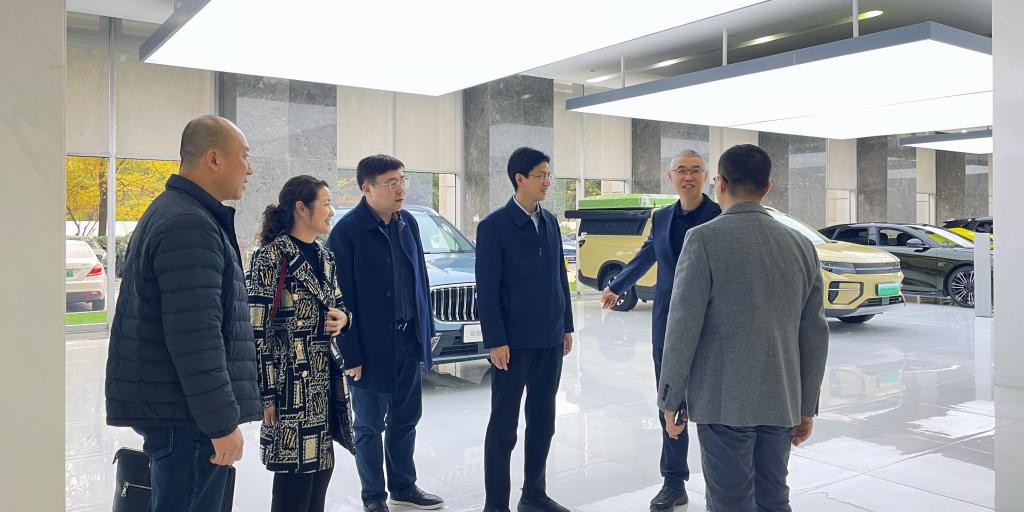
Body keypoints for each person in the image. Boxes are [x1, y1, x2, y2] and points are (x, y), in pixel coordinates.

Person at [657, 144, 829, 512]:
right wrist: (806, 405)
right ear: (767, 188)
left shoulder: (703, 239)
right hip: (781, 397)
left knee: (730, 502)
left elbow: (683, 325)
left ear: (719, 183)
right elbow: (814, 333)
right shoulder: (802, 245)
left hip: (723, 401)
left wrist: (670, 398)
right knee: (773, 498)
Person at [105, 115, 259, 511]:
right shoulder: (189, 224)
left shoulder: (181, 212)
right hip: (189, 419)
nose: (249, 169)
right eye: (244, 156)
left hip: (181, 412)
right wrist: (220, 423)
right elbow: (196, 337)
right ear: (214, 159)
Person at [599, 149, 721, 511]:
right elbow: (647, 253)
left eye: (695, 170)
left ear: (706, 176)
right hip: (667, 320)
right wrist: (617, 285)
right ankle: (673, 481)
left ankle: (721, 482)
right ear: (670, 177)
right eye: (681, 170)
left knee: (714, 403)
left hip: (711, 322)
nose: (688, 176)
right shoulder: (662, 216)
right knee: (669, 400)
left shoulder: (719, 216)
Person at [326, 155, 444, 512]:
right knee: (369, 425)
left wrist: (426, 334)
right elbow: (338, 300)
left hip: (408, 339)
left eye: (402, 181)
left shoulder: (408, 223)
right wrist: (351, 354)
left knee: (406, 418)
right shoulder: (347, 232)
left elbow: (420, 281)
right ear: (367, 188)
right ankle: (373, 497)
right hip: (371, 346)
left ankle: (404, 487)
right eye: (391, 183)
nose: (400, 189)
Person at [247, 175, 355, 512]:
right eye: (326, 204)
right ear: (301, 208)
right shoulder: (270, 257)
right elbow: (257, 331)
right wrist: (266, 395)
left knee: (320, 476)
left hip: (324, 385)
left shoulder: (325, 256)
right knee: (294, 484)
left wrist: (344, 318)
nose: (331, 211)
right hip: (289, 388)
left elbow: (339, 305)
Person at [476, 147, 575, 512]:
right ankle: (495, 505)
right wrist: (496, 340)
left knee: (543, 422)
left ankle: (533, 495)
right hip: (513, 345)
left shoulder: (550, 222)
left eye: (549, 175)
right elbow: (487, 290)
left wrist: (566, 325)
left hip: (550, 340)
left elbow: (560, 276)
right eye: (541, 176)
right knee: (504, 428)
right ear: (520, 179)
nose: (547, 182)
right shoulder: (494, 226)